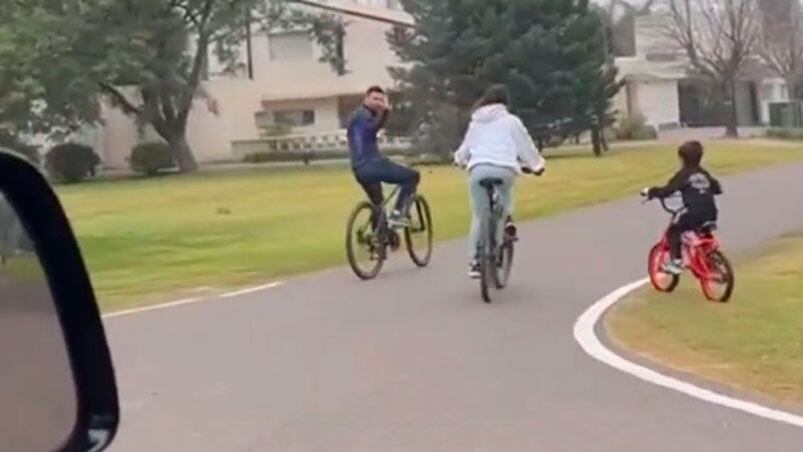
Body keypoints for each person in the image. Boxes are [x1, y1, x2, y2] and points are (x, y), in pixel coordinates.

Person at [454, 84, 545, 278]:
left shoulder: (476, 122)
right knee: (504, 200)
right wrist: (537, 166)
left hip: (478, 169)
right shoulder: (511, 121)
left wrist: (460, 161)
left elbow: (464, 150)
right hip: (504, 169)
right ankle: (500, 235)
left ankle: (475, 260)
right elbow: (525, 146)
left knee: (479, 216)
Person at [643, 140, 723, 275]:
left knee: (674, 230)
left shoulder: (683, 174)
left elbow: (667, 190)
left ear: (682, 159)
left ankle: (676, 262)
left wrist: (651, 192)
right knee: (702, 228)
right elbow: (717, 189)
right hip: (711, 212)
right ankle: (710, 257)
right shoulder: (704, 173)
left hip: (692, 213)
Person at [348, 86, 420, 227]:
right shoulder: (364, 115)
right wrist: (386, 110)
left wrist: (384, 112)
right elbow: (373, 127)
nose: (378, 102)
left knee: (378, 204)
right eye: (375, 99)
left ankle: (380, 238)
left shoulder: (357, 115)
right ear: (366, 99)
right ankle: (398, 214)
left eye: (381, 100)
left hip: (358, 169)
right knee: (412, 177)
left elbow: (372, 129)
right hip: (372, 165)